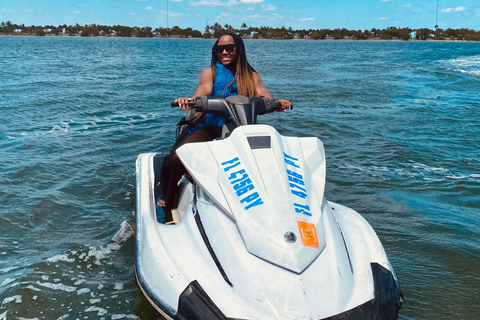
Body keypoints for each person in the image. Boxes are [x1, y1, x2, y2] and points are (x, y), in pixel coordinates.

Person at [158, 33, 292, 223]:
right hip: (212, 125)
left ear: (238, 48)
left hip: (242, 129)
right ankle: (169, 202)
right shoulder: (210, 72)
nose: (224, 52)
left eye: (229, 48)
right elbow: (203, 90)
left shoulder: (252, 76)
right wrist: (190, 101)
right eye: (219, 49)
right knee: (176, 158)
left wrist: (277, 103)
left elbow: (263, 95)